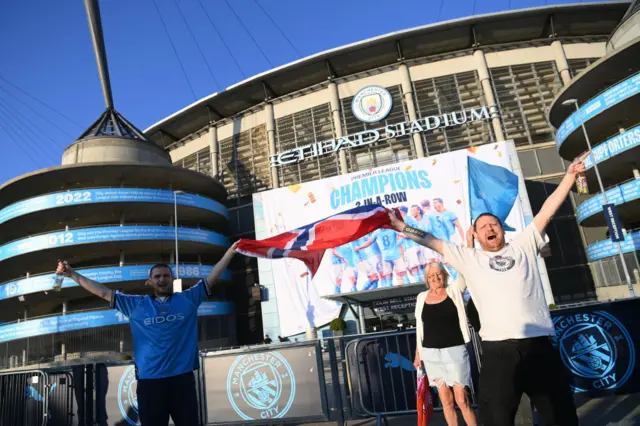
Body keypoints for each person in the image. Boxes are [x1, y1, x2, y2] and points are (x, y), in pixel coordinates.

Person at [389, 152, 589, 426]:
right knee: (496, 418)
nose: (489, 228)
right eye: (483, 226)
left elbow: (547, 210)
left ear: (502, 230)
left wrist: (568, 177)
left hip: (538, 345)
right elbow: (431, 240)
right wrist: (401, 226)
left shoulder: (524, 245)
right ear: (476, 235)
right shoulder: (469, 258)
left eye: (494, 224)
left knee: (560, 415)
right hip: (498, 352)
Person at [55, 241, 239, 426]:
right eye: (157, 276)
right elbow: (103, 292)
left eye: (166, 276)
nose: (162, 279)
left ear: (172, 279)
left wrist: (230, 252)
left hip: (182, 382)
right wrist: (72, 274)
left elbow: (212, 277)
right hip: (150, 384)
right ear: (149, 281)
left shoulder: (188, 299)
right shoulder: (136, 304)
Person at [414, 262, 477, 426]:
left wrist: (466, 247)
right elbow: (420, 327)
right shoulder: (421, 297)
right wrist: (418, 353)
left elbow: (466, 271)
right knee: (446, 402)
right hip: (431, 355)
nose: (435, 278)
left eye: (438, 274)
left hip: (455, 351)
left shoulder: (454, 291)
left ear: (445, 275)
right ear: (427, 280)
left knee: (462, 399)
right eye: (431, 276)